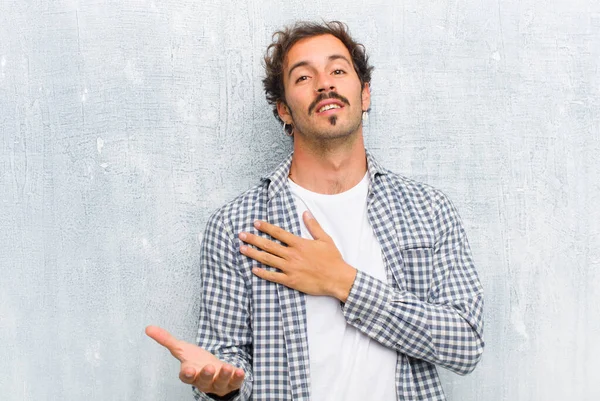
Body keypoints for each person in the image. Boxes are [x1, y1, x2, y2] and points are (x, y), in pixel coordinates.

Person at [146, 20, 484, 401]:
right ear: (284, 110)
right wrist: (222, 389)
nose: (325, 83)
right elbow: (226, 365)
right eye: (303, 77)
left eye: (338, 70)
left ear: (365, 94)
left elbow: (466, 345)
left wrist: (343, 282)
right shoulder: (236, 227)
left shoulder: (428, 211)